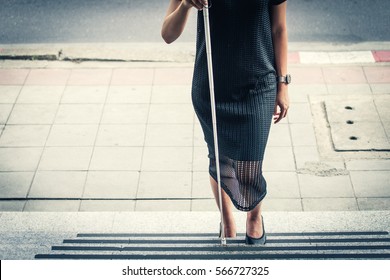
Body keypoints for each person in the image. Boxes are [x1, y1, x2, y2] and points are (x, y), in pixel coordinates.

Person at [162, 0, 290, 245]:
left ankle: (255, 217)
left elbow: (279, 28)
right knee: (219, 158)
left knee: (251, 162)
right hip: (211, 84)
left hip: (258, 83)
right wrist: (186, 5)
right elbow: (167, 34)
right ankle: (227, 219)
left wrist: (283, 84)